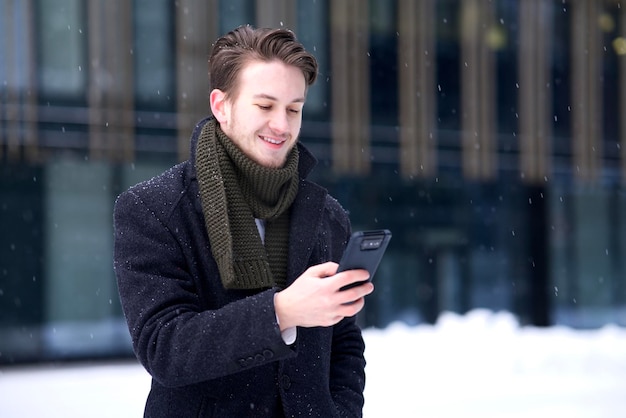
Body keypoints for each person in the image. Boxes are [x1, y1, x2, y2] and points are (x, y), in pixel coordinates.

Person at [113, 25, 374, 417]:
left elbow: (345, 343)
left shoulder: (327, 216)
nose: (282, 126)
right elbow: (164, 347)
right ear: (222, 105)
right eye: (265, 106)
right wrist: (281, 311)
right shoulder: (153, 209)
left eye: (294, 109)